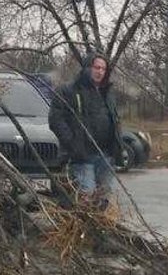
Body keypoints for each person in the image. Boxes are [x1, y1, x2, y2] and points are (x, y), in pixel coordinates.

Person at [49, 53, 121, 207]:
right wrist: (73, 144)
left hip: (105, 156)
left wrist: (116, 147)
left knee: (104, 199)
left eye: (103, 68)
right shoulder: (68, 91)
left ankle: (101, 230)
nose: (100, 71)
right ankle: (83, 229)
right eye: (96, 67)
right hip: (82, 157)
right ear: (87, 68)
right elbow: (56, 120)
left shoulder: (107, 92)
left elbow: (114, 119)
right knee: (86, 199)